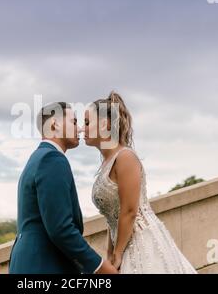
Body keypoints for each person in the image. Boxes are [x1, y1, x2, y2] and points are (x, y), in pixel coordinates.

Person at [83, 91, 197, 274]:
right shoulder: (106, 164)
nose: (82, 129)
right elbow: (113, 217)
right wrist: (110, 253)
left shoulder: (125, 157)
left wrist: (118, 254)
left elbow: (129, 211)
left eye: (87, 123)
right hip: (121, 244)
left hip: (142, 242)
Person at [9, 102, 117, 274]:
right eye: (74, 122)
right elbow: (61, 228)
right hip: (44, 265)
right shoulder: (52, 159)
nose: (80, 129)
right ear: (54, 125)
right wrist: (99, 267)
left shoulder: (37, 158)